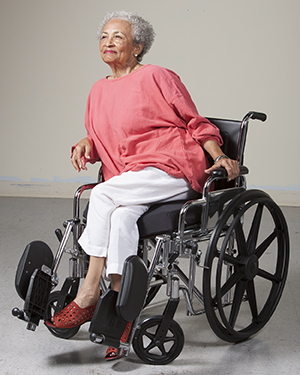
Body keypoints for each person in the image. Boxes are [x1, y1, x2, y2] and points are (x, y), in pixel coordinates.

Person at [45, 11, 239, 360]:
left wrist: (218, 155)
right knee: (120, 219)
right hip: (132, 178)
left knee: (102, 193)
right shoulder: (98, 89)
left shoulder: (157, 76)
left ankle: (89, 292)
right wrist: (87, 142)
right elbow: (110, 134)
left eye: (118, 37)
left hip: (171, 168)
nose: (108, 42)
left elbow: (194, 121)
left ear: (138, 46)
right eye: (103, 36)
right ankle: (122, 309)